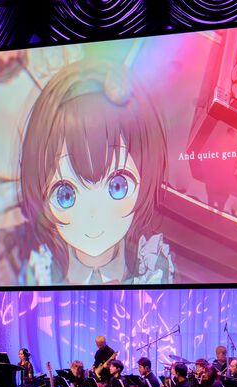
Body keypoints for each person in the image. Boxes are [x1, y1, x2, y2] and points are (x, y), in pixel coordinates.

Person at [15, 60, 175, 286]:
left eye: (118, 186)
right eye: (65, 195)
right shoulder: (42, 275)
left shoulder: (152, 270)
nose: (93, 215)